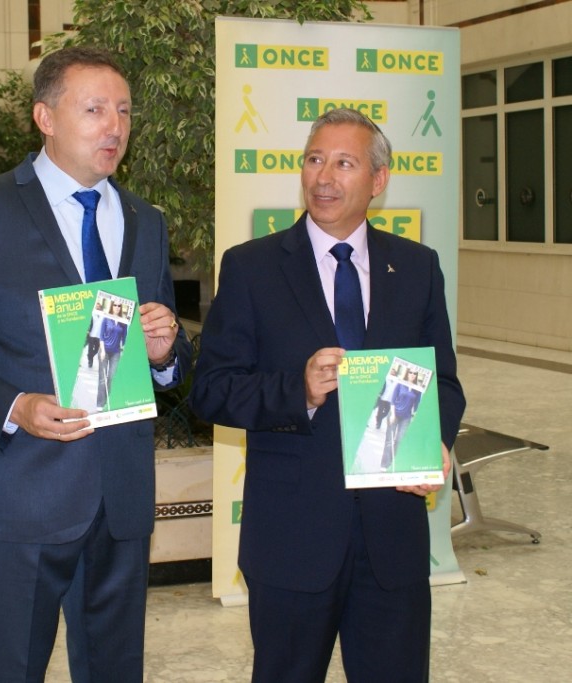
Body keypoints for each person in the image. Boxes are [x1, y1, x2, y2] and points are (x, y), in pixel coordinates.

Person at [0, 45, 192, 683]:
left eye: (123, 111)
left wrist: (167, 352)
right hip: (21, 492)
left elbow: (163, 347)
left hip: (120, 496)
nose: (113, 126)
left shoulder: (147, 220)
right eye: (93, 109)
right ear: (45, 117)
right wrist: (14, 407)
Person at [190, 107, 465, 682]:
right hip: (292, 540)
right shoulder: (251, 268)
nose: (324, 177)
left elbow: (442, 381)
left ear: (378, 181)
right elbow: (212, 392)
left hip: (392, 539)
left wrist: (435, 441)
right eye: (315, 160)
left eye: (344, 163)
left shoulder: (416, 267)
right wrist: (300, 391)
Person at [381, 368, 423, 470]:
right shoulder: (400, 384)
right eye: (411, 372)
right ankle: (385, 464)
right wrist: (392, 415)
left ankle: (393, 464)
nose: (412, 375)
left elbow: (416, 405)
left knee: (399, 441)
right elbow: (392, 400)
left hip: (406, 417)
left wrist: (414, 416)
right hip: (394, 413)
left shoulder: (417, 389)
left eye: (415, 373)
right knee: (389, 440)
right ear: (407, 373)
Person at [96, 308, 128, 409]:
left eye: (119, 306)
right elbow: (101, 336)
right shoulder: (106, 318)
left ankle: (106, 401)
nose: (117, 307)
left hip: (116, 353)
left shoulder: (124, 322)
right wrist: (103, 351)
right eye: (115, 305)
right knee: (102, 379)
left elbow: (124, 338)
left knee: (111, 377)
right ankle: (100, 404)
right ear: (112, 307)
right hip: (104, 351)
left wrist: (124, 350)